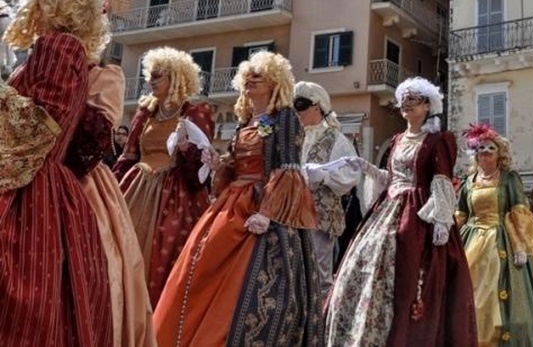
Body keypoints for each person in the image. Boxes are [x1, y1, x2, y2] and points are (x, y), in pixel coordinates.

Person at [154, 51, 322, 345]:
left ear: (275, 81)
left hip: (265, 207)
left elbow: (288, 169)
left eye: (259, 75)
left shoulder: (285, 118)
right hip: (233, 203)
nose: (251, 79)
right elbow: (235, 165)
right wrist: (218, 163)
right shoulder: (246, 120)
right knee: (200, 268)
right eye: (248, 74)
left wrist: (267, 213)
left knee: (254, 285)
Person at [0, 0, 113, 344]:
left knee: (24, 299)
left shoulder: (57, 47)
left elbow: (43, 121)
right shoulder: (66, 50)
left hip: (30, 191)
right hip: (41, 184)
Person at [326, 77, 477, 346]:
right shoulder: (397, 139)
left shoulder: (438, 140)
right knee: (359, 265)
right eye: (403, 100)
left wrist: (441, 221)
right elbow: (391, 178)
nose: (406, 104)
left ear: (428, 106)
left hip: (419, 214)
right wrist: (366, 167)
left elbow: (441, 179)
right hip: (388, 207)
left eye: (413, 100)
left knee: (410, 275)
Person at [112, 47, 214, 306]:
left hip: (176, 196)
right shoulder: (145, 111)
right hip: (136, 188)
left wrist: (185, 149)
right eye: (150, 75)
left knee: (165, 257)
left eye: (158, 76)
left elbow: (200, 172)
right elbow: (129, 156)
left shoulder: (195, 113)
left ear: (177, 77)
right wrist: (111, 189)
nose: (150, 81)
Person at [65, 62, 156, 347]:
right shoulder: (30, 71)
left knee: (101, 267)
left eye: (160, 76)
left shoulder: (105, 76)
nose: (154, 80)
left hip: (86, 183)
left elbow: (91, 146)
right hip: (33, 179)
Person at [456, 122, 533, 346]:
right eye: (481, 148)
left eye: (491, 148)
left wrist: (521, 246)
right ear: (475, 153)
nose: (486, 152)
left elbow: (519, 212)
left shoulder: (509, 179)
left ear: (499, 153)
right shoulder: (468, 182)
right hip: (471, 240)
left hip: (502, 240)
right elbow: (461, 214)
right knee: (468, 292)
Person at [292, 80, 359, 297]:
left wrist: (326, 177)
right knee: (294, 272)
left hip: (321, 215)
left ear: (317, 107)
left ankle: (321, 316)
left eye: (301, 105)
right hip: (291, 213)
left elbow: (352, 172)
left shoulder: (336, 139)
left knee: (319, 275)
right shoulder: (294, 138)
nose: (297, 112)